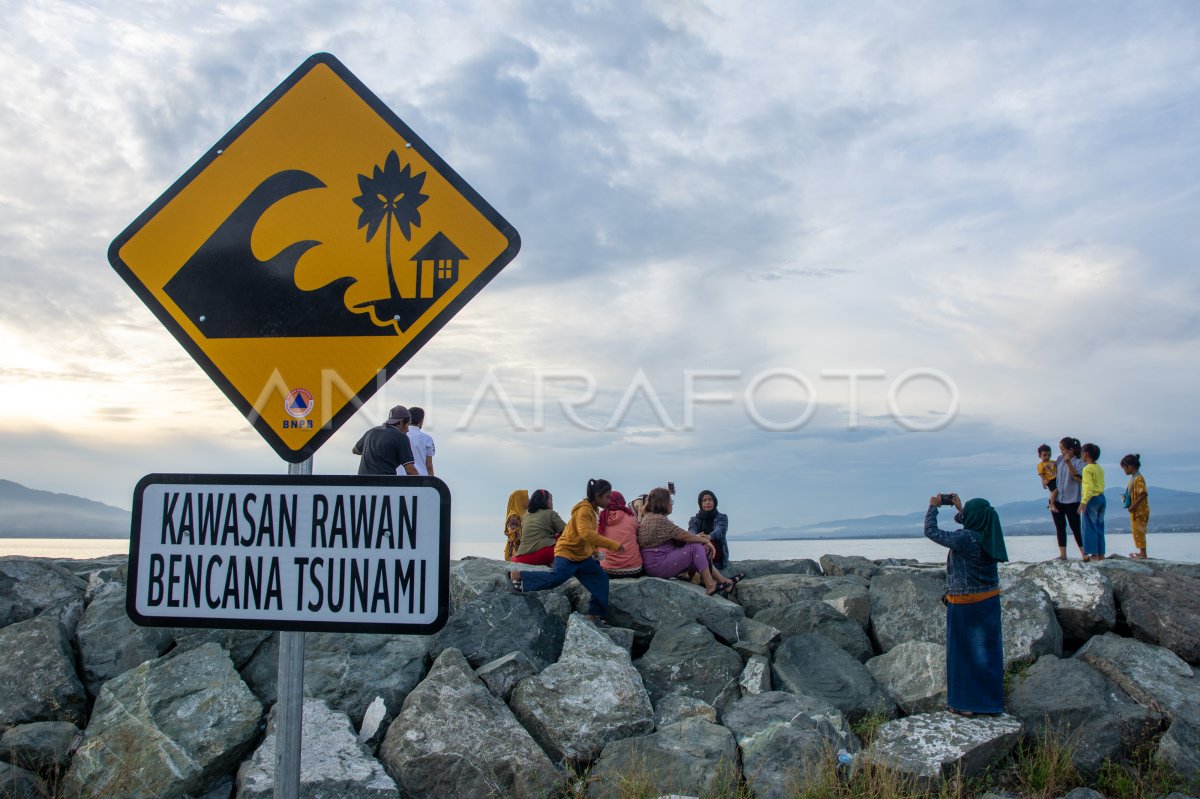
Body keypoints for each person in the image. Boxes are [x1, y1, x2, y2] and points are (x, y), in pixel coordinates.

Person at [924, 493, 1007, 717]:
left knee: (963, 655)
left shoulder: (966, 539)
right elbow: (973, 520)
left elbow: (931, 532)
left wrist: (933, 507)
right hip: (989, 601)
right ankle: (990, 703)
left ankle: (965, 704)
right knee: (987, 654)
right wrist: (961, 509)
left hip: (965, 604)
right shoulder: (989, 536)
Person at [509, 479, 624, 624]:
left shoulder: (593, 509)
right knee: (557, 577)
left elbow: (587, 535)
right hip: (567, 552)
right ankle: (520, 576)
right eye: (607, 497)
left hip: (581, 555)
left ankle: (594, 614)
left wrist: (593, 551)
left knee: (601, 578)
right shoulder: (584, 510)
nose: (609, 500)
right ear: (598, 496)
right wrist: (613, 545)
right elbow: (586, 534)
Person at [637, 487, 742, 596]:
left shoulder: (652, 517)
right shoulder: (657, 519)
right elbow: (683, 535)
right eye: (670, 501)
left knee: (697, 549)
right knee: (696, 547)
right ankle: (710, 586)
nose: (672, 504)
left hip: (658, 563)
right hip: (658, 566)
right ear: (663, 502)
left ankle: (724, 581)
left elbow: (685, 535)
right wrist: (705, 541)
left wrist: (700, 539)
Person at [352, 405, 417, 476]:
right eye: (408, 425)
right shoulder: (401, 437)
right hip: (384, 484)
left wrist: (374, 451)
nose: (408, 430)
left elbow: (355, 450)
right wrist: (421, 486)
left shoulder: (371, 431)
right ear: (401, 422)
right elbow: (410, 471)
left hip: (362, 483)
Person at [1052, 437, 1085, 560]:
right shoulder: (1060, 460)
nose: (1062, 453)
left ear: (1071, 450)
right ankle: (1063, 554)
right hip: (1058, 499)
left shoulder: (1079, 462)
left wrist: (1069, 463)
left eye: (1064, 450)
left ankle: (1083, 553)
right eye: (1061, 450)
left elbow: (1078, 478)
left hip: (1072, 500)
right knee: (1060, 527)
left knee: (1075, 527)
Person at [512, 489, 565, 566]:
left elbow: (521, 537)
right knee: (564, 537)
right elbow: (568, 531)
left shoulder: (525, 516)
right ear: (545, 501)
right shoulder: (550, 513)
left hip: (520, 558)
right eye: (551, 500)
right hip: (542, 555)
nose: (552, 503)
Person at [599, 491, 643, 578]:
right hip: (633, 570)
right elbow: (639, 538)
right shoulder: (631, 517)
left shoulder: (600, 518)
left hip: (607, 570)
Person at [687, 490, 730, 571]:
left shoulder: (722, 517)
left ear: (714, 502)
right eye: (704, 500)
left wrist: (709, 537)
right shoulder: (694, 519)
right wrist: (698, 538)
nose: (707, 502)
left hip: (717, 555)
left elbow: (719, 530)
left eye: (710, 499)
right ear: (700, 503)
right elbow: (692, 531)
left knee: (707, 546)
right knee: (696, 545)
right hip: (699, 548)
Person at [1080, 442, 1106, 561]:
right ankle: (1101, 554)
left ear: (1086, 454)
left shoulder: (1087, 469)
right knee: (1099, 526)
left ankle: (1093, 554)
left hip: (1092, 499)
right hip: (1101, 498)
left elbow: (1088, 486)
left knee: (1089, 526)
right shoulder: (1099, 468)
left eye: (1082, 452)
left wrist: (1084, 502)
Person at [1121, 454, 1150, 559]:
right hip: (1135, 511)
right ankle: (1141, 551)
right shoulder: (1133, 478)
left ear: (1130, 466)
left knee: (1140, 531)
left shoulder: (1139, 479)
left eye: (1124, 468)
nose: (1124, 470)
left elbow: (1143, 493)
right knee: (1136, 531)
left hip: (1140, 511)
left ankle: (1143, 553)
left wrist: (1133, 505)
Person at [406, 406, 436, 476]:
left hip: (400, 478)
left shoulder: (398, 436)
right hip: (421, 480)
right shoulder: (427, 439)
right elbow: (429, 466)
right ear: (421, 421)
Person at [503, 490, 529, 561]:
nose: (529, 500)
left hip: (520, 552)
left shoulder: (522, 514)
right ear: (519, 499)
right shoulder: (514, 516)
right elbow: (513, 536)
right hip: (514, 553)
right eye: (526, 498)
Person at [1036, 444, 1058, 511]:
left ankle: (1051, 504)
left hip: (1055, 478)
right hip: (1049, 480)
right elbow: (1041, 473)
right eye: (1044, 455)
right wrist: (1044, 480)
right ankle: (1051, 504)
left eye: (1049, 455)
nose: (1047, 457)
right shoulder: (1040, 465)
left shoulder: (1052, 462)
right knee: (1055, 490)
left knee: (1053, 491)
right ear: (1040, 456)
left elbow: (1058, 464)